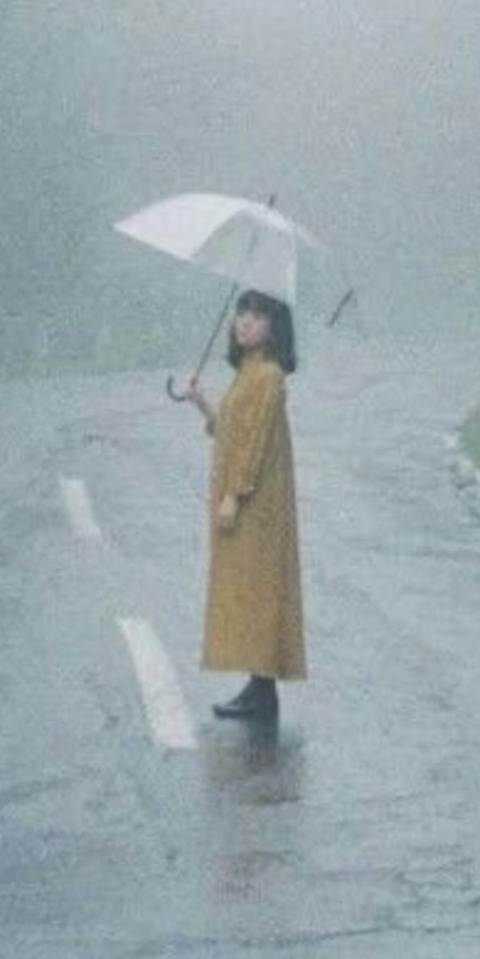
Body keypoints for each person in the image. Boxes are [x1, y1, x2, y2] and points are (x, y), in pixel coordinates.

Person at [181, 288, 302, 721]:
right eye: (242, 313)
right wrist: (201, 405)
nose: (245, 321)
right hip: (245, 499)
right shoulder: (247, 372)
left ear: (274, 327)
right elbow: (232, 432)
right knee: (248, 591)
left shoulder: (268, 375)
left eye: (257, 315)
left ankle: (263, 689)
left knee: (258, 589)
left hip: (257, 504)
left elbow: (253, 445)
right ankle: (259, 687)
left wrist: (235, 494)